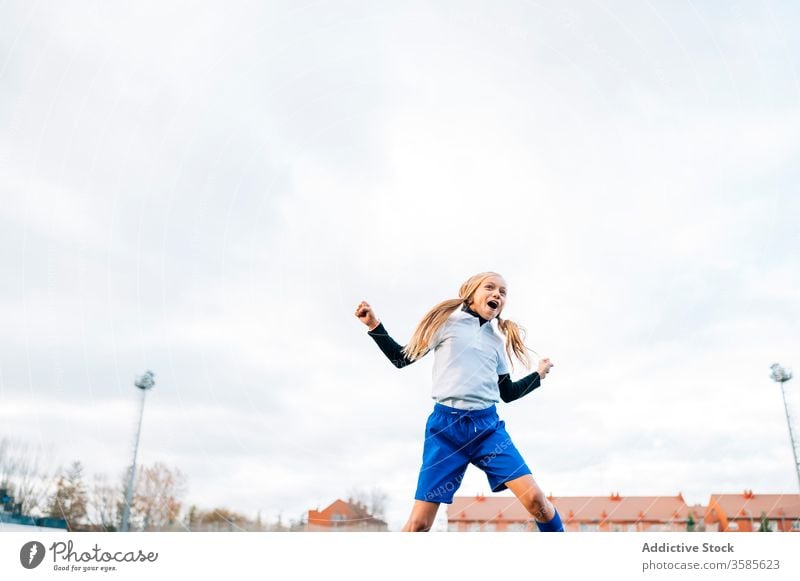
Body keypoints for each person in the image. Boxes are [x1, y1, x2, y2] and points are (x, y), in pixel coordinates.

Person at [354, 271, 564, 532]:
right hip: (445, 431)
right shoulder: (446, 324)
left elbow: (507, 393)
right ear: (471, 291)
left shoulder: (496, 342)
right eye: (490, 287)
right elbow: (401, 359)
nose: (497, 294)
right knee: (419, 524)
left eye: (503, 292)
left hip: (487, 429)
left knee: (536, 502)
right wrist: (374, 325)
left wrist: (538, 375)